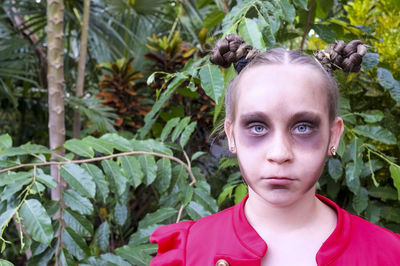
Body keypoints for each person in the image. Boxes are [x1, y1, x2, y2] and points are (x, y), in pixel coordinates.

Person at [149, 34, 400, 266]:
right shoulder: (189, 252)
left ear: (334, 135)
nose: (279, 154)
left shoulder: (387, 254)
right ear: (231, 135)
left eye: (303, 127)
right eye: (257, 127)